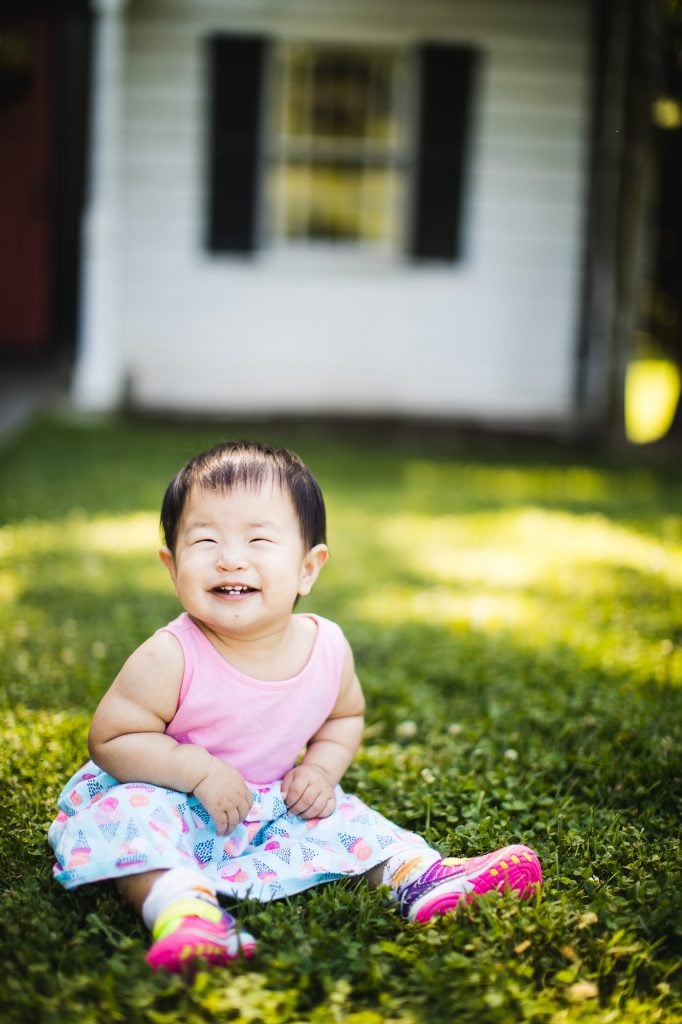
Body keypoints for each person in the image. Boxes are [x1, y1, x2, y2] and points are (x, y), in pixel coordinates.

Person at [48, 441, 542, 973]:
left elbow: (344, 716)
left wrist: (321, 770)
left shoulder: (326, 648)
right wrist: (197, 772)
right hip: (169, 795)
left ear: (309, 568)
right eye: (205, 539)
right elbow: (113, 738)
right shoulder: (171, 654)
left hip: (271, 801)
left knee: (346, 818)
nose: (230, 557)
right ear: (172, 565)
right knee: (133, 822)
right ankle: (185, 911)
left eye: (259, 539)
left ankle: (418, 878)